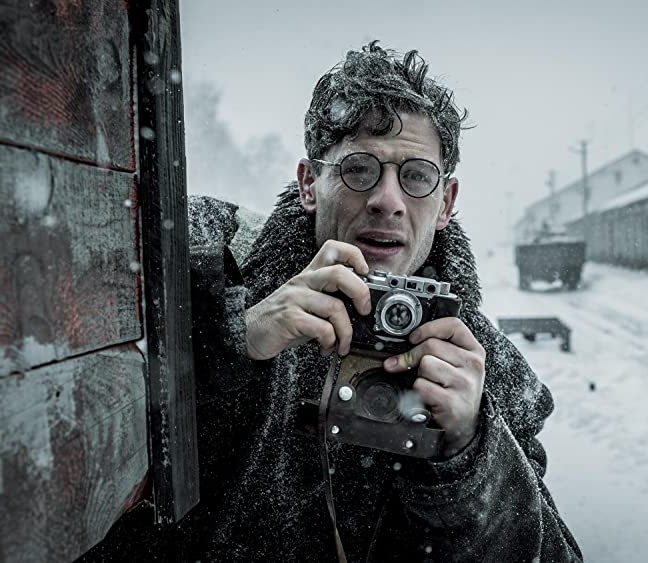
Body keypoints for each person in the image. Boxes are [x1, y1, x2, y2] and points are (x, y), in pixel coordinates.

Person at [87, 41, 582, 562]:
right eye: (359, 170)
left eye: (415, 176)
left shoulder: (486, 369)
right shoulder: (207, 258)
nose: (387, 201)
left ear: (445, 203)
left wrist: (466, 450)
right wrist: (229, 334)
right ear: (308, 184)